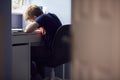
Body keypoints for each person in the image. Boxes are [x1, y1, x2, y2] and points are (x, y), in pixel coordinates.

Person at [23, 5, 62, 79]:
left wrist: (32, 25)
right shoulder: (52, 16)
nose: (32, 22)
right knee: (39, 51)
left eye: (31, 21)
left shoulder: (42, 17)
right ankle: (41, 76)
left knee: (27, 51)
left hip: (51, 53)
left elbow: (27, 30)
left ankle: (36, 76)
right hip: (61, 53)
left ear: (35, 17)